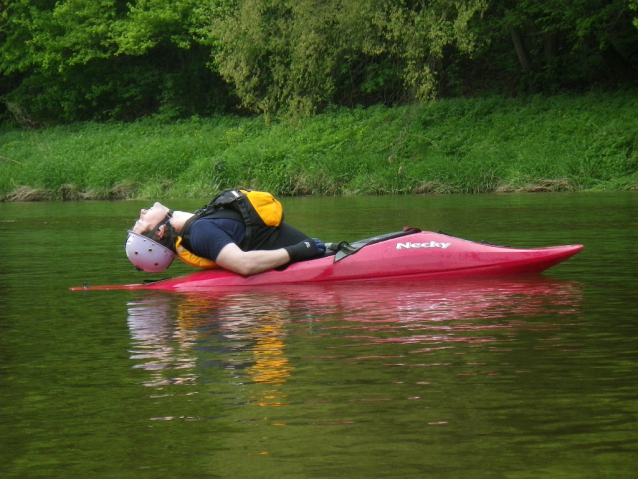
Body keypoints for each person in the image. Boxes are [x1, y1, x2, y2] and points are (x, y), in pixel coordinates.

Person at [125, 193, 325, 275]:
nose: (142, 212)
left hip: (319, 253)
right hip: (314, 261)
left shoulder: (198, 224)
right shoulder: (200, 232)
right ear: (159, 232)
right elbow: (243, 264)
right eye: (142, 222)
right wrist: (300, 250)